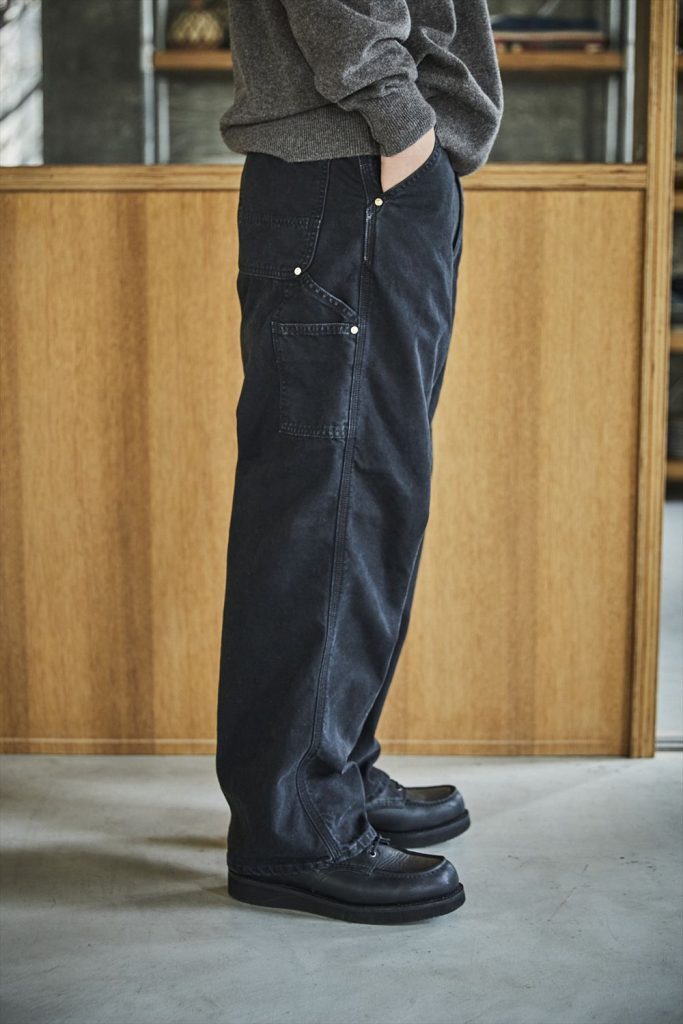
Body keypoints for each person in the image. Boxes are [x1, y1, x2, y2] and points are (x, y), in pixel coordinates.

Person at [215, 0, 503, 925]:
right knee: (331, 507)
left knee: (365, 498)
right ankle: (294, 828)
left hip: (363, 171)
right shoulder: (374, 134)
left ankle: (328, 770)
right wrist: (400, 122)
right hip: (353, 167)